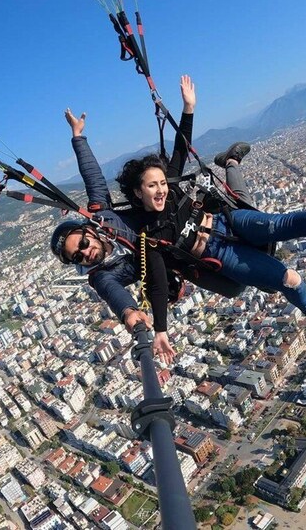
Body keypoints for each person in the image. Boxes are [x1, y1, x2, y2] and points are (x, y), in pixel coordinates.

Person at [116, 82, 306, 360]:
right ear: (138, 192)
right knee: (290, 279)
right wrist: (161, 330)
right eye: (151, 186)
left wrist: (188, 108)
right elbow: (158, 284)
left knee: (276, 225)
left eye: (162, 182)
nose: (161, 189)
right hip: (218, 253)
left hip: (225, 221)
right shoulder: (150, 235)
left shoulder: (170, 191)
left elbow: (180, 151)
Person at [50, 76, 254, 362]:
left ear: (88, 231)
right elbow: (114, 295)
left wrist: (78, 137)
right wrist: (130, 314)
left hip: (186, 230)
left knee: (244, 210)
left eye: (81, 243)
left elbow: (94, 179)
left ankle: (231, 162)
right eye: (77, 257)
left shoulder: (103, 217)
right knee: (235, 287)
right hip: (181, 259)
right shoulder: (101, 277)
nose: (85, 252)